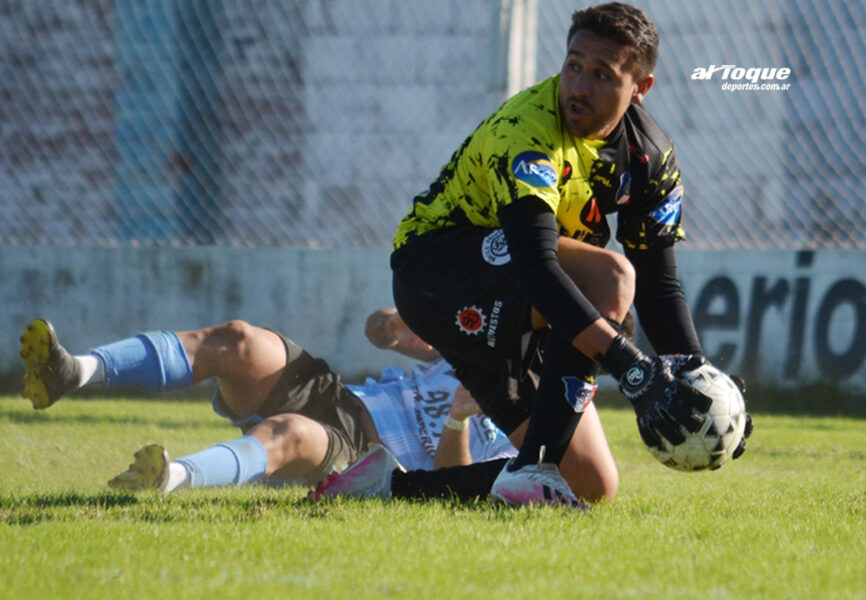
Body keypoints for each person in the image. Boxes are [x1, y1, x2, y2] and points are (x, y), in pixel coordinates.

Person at [381, 3, 750, 508]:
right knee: (611, 277)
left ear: (641, 88)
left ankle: (392, 485)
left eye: (602, 75)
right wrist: (633, 369)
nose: (578, 86)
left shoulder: (651, 160)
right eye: (573, 65)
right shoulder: (528, 133)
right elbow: (537, 269)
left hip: (523, 299)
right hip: (438, 273)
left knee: (590, 483)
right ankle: (533, 466)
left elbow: (661, 289)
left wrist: (703, 387)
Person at [18, 315, 517, 492]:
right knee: (239, 340)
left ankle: (171, 479)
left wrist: (457, 420)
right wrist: (396, 324)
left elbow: (457, 487)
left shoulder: (527, 437)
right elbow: (376, 328)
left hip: (369, 458)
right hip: (339, 397)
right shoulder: (481, 349)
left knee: (288, 433)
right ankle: (73, 371)